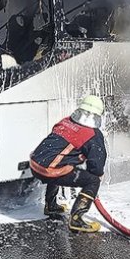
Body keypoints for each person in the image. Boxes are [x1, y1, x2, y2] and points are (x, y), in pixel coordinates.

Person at [29, 95, 107, 233]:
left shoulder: (65, 121)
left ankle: (51, 205)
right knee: (93, 181)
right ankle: (77, 219)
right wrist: (96, 176)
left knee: (63, 165)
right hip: (49, 170)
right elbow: (97, 163)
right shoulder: (92, 134)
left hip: (35, 163)